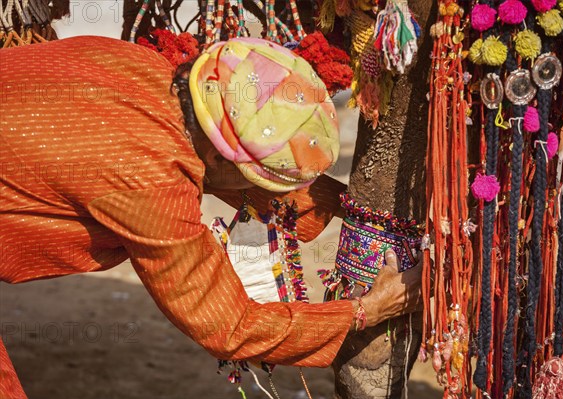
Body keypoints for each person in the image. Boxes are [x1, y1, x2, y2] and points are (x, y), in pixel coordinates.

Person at [0, 35, 422, 398]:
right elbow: (231, 325)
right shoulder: (154, 186)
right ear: (221, 159)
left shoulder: (142, 68)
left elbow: (225, 156)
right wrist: (366, 309)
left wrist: (363, 214)